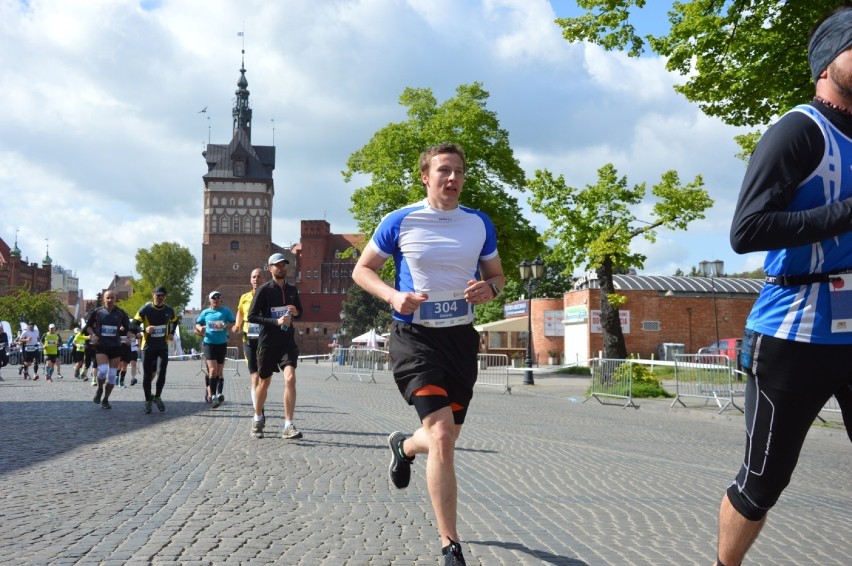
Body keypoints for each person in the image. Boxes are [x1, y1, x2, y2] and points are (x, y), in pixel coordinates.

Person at [720, 7, 852, 565]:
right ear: (828, 63)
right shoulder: (799, 129)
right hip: (793, 335)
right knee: (762, 483)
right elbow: (746, 230)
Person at [351, 142, 505, 565]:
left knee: (445, 441)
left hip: (459, 339)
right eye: (443, 171)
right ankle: (450, 544)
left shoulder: (478, 223)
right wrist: (392, 295)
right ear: (426, 176)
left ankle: (403, 447)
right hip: (414, 337)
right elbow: (362, 270)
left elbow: (496, 275)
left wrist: (490, 288)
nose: (452, 178)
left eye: (458, 171)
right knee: (440, 435)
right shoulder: (400, 220)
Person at [248, 254, 303, 439]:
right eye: (278, 265)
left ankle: (288, 424)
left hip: (287, 342)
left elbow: (300, 313)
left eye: (284, 265)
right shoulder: (264, 290)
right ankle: (257, 417)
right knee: (264, 382)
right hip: (267, 343)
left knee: (290, 379)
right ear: (270, 268)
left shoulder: (292, 290)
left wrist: (296, 312)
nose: (282, 268)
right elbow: (252, 316)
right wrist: (275, 321)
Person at [133, 286, 180, 414]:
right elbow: (133, 325)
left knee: (161, 372)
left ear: (165, 297)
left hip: (162, 347)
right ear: (152, 295)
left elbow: (175, 321)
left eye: (162, 296)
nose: (159, 298)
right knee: (148, 376)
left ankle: (158, 396)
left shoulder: (169, 310)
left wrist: (171, 332)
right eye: (157, 295)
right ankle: (148, 400)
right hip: (147, 347)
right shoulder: (146, 309)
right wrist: (144, 330)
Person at [85, 290, 133, 410]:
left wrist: (128, 337)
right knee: (102, 370)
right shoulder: (97, 312)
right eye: (108, 298)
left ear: (115, 299)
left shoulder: (121, 313)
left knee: (112, 375)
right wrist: (93, 335)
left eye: (112, 298)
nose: (110, 300)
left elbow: (129, 328)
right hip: (101, 346)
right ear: (103, 299)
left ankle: (106, 399)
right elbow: (88, 326)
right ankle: (100, 388)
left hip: (116, 346)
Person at [232, 268, 266, 422]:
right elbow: (240, 311)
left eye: (259, 277)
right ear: (250, 279)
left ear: (264, 279)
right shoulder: (244, 297)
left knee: (263, 377)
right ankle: (258, 413)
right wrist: (237, 325)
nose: (256, 279)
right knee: (255, 377)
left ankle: (259, 409)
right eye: (253, 277)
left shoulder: (268, 296)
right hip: (249, 339)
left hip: (264, 339)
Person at [195, 290, 236, 409]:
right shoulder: (205, 312)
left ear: (220, 300)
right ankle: (213, 397)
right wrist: (200, 329)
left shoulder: (226, 311)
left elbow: (233, 324)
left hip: (221, 344)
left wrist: (224, 325)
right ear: (210, 300)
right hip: (209, 344)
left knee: (218, 372)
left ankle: (214, 392)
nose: (216, 299)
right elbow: (197, 324)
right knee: (212, 370)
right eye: (213, 297)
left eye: (218, 297)